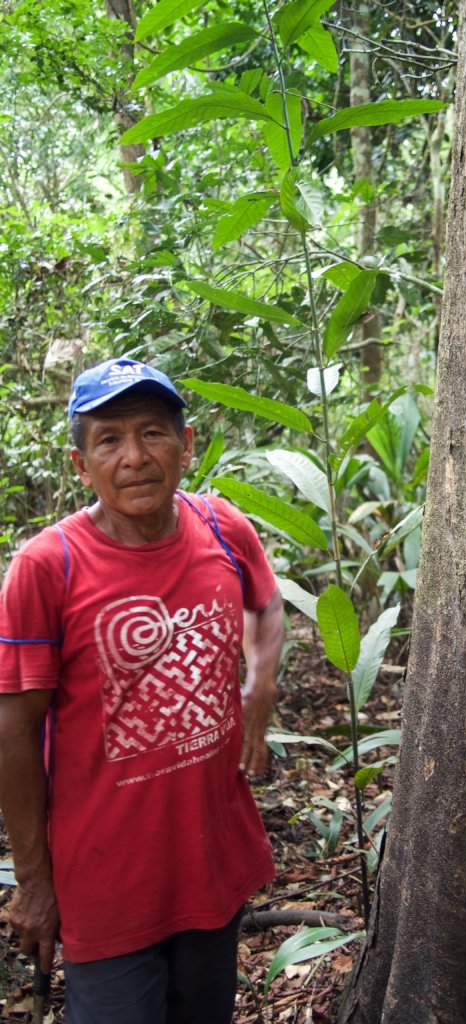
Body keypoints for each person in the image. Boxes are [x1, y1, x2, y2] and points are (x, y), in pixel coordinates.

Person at [0, 357, 284, 1023]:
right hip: (107, 882)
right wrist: (34, 882)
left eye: (153, 432)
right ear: (81, 465)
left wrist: (260, 685)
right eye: (110, 440)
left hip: (211, 861)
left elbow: (266, 604)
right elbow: (13, 730)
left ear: (186, 445)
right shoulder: (47, 566)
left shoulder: (222, 527)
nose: (135, 457)